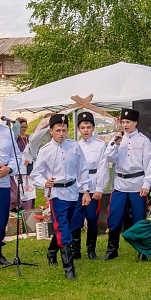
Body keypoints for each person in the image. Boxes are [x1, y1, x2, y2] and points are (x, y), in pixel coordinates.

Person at [30, 114, 91, 279]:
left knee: (68, 225)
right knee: (62, 226)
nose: (61, 134)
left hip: (72, 191)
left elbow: (82, 169)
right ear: (51, 131)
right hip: (56, 194)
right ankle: (69, 268)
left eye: (64, 130)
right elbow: (35, 174)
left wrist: (85, 190)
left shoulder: (75, 146)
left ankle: (51, 252)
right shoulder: (45, 151)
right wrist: (44, 182)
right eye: (58, 130)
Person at [104, 108, 151, 261]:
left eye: (128, 122)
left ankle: (141, 251)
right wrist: (114, 143)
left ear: (135, 122)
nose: (125, 125)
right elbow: (108, 157)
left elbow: (150, 165)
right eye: (123, 122)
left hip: (137, 183)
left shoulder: (143, 140)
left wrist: (147, 184)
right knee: (114, 216)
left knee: (139, 217)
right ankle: (112, 249)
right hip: (120, 183)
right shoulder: (118, 139)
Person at [69, 112, 109, 260]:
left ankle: (91, 249)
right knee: (76, 219)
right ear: (78, 129)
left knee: (92, 218)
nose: (85, 130)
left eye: (88, 127)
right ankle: (75, 250)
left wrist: (99, 188)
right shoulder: (74, 146)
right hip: (77, 188)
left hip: (93, 185)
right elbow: (73, 169)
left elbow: (103, 168)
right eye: (82, 127)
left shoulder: (100, 146)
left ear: (93, 128)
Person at [0, 98, 20, 265]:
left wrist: (9, 170)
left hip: (2, 181)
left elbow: (17, 156)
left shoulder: (7, 132)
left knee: (1, 218)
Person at [14, 117, 36, 211]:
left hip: (29, 168)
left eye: (25, 127)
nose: (24, 129)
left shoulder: (28, 137)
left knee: (30, 192)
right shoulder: (15, 137)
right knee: (20, 191)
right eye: (22, 127)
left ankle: (29, 210)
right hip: (19, 168)